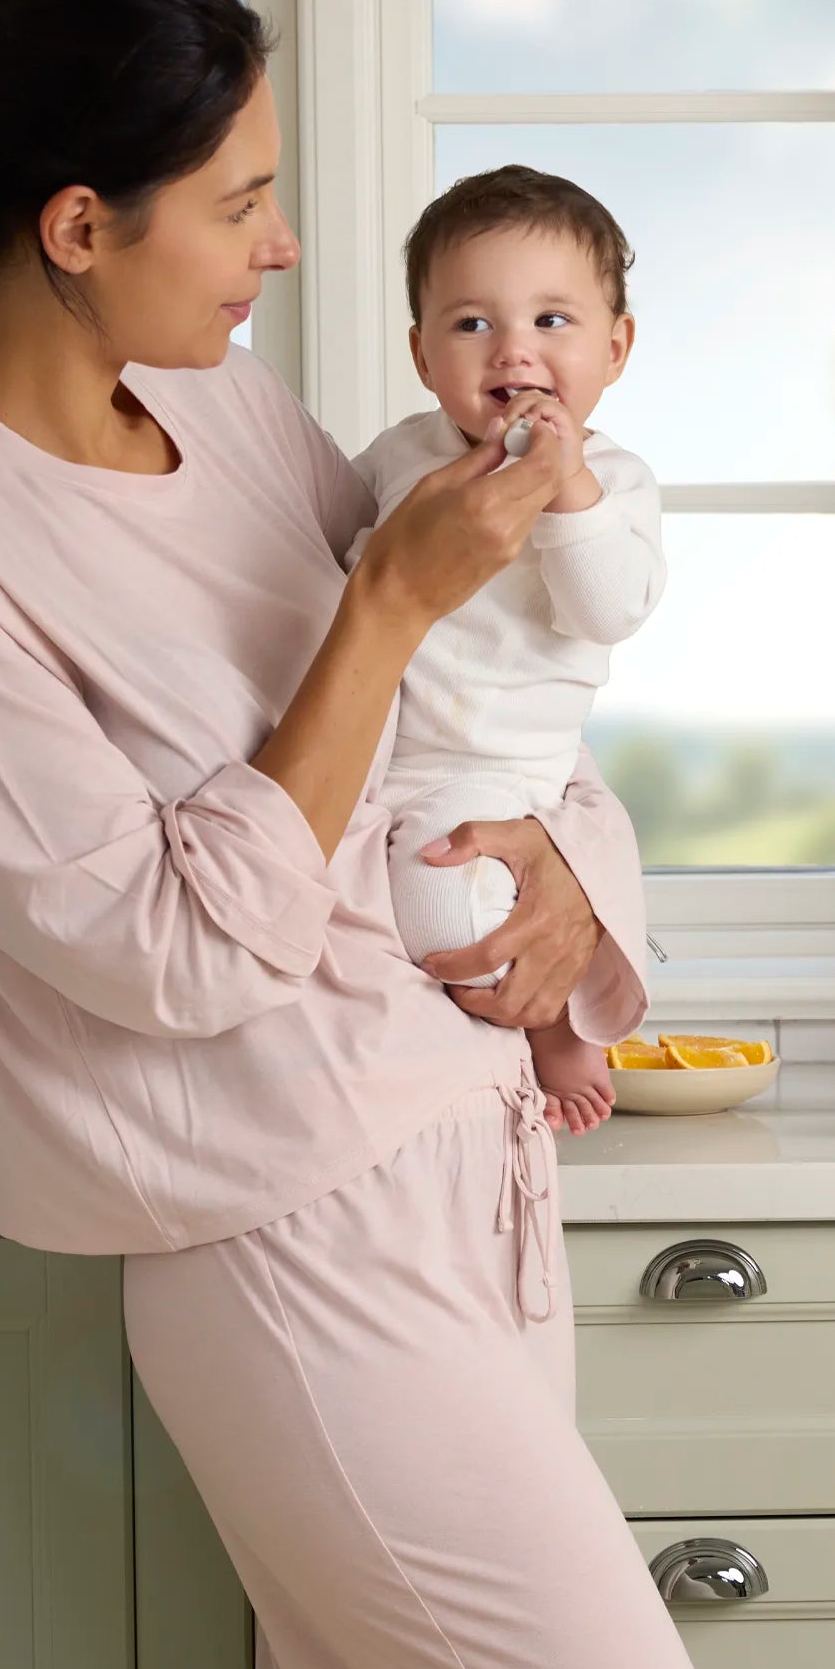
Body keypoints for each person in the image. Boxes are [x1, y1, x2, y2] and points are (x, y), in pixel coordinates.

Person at [0, 0, 757, 1669]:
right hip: (293, 1250)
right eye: (243, 200)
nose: (284, 250)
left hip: (469, 1160)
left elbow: (484, 704)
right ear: (81, 223)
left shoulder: (227, 409)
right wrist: (385, 606)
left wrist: (574, 870)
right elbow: (168, 951)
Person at [346, 166, 665, 1137]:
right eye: (473, 324)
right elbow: (330, 573)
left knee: (454, 925)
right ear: (421, 352)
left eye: (552, 323)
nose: (513, 351)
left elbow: (612, 608)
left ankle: (558, 1028)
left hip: (497, 775)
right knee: (392, 912)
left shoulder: (611, 478)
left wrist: (563, 487)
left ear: (616, 349)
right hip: (374, 757)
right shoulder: (397, 459)